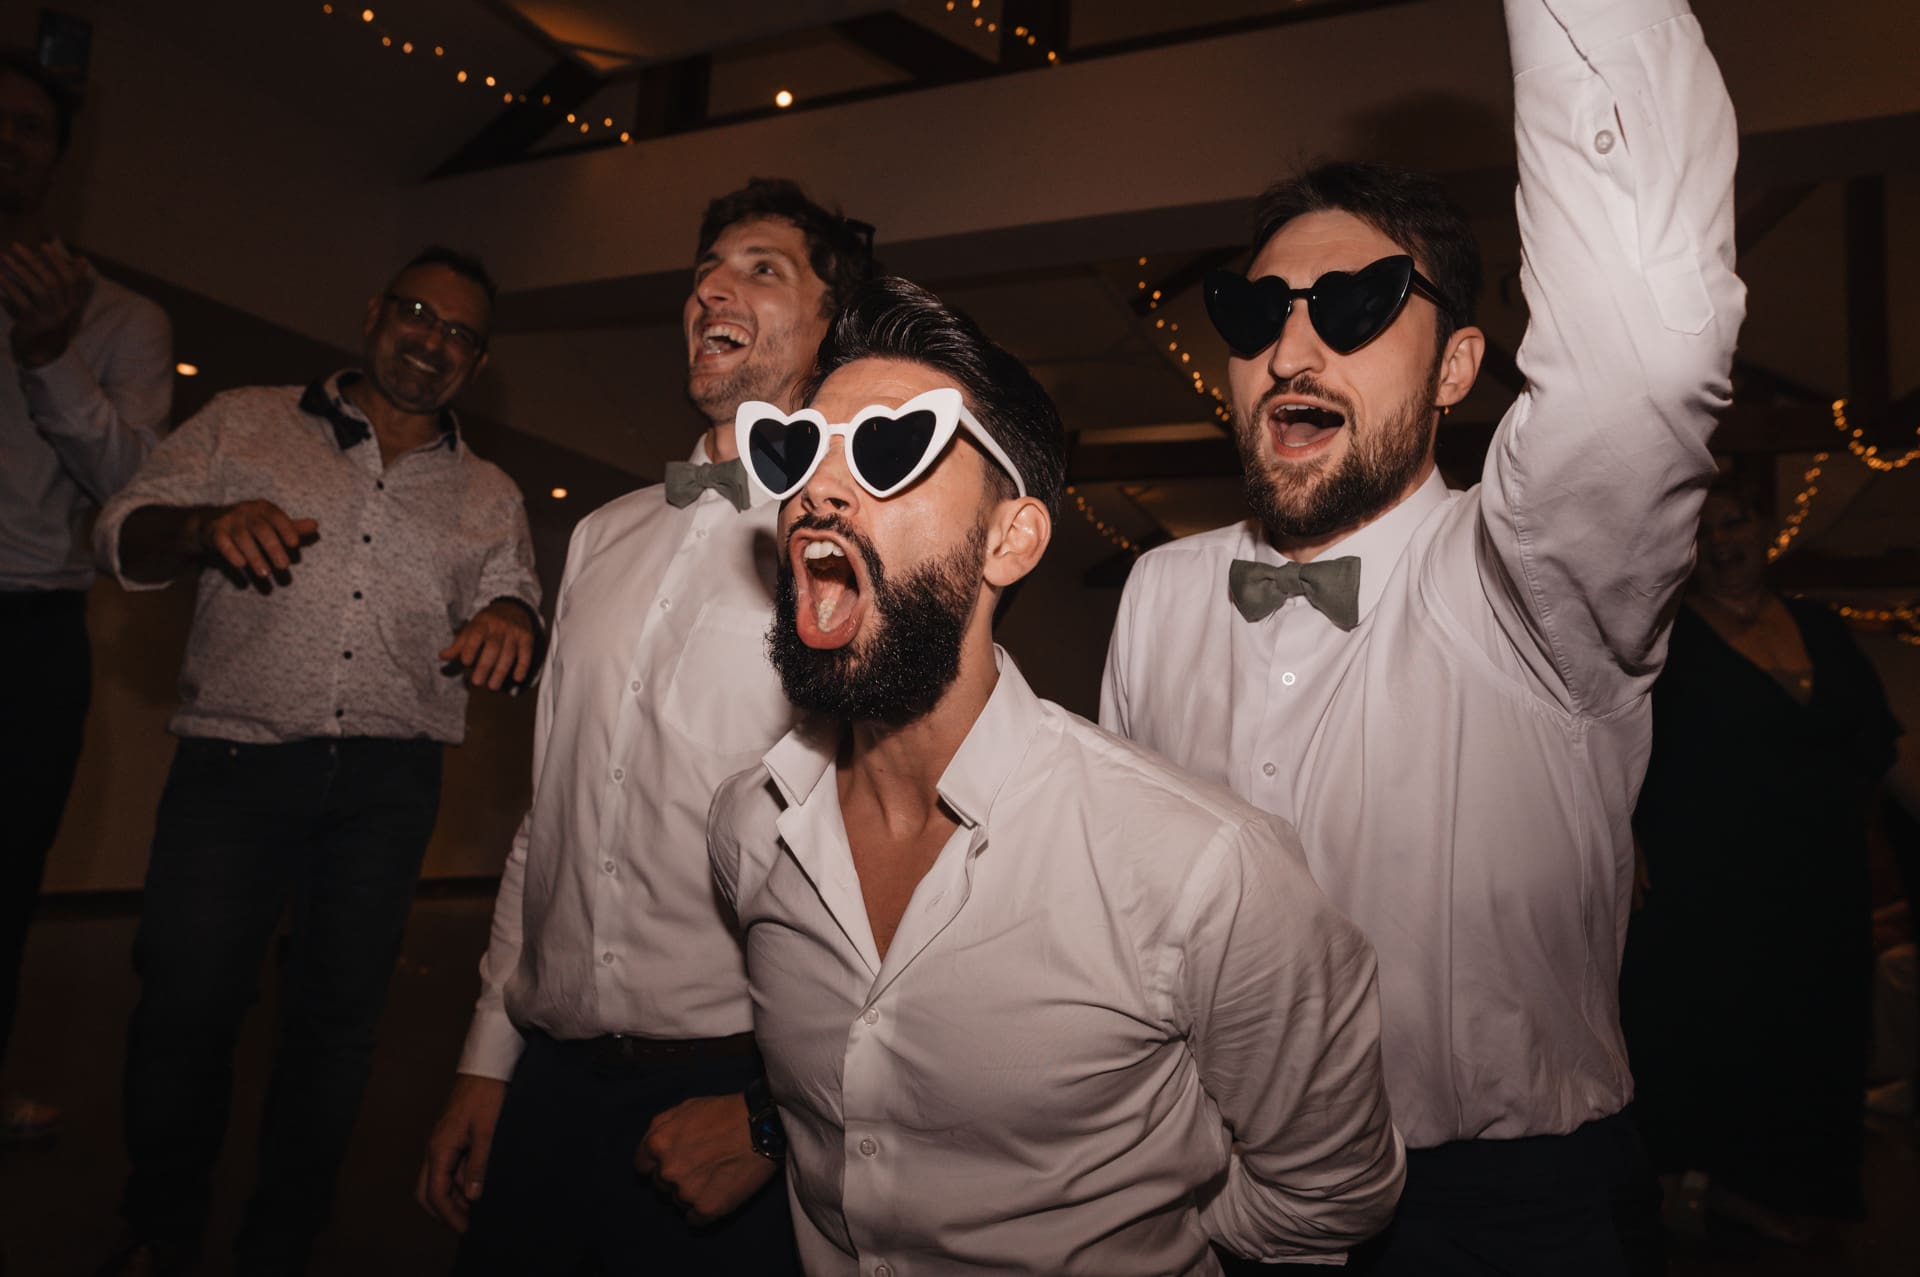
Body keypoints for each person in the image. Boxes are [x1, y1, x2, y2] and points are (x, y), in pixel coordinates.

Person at [1100, 1, 1745, 1271]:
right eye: (1257, 312)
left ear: (1456, 369)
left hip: (1497, 1216)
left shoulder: (1534, 582)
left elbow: (1646, 363)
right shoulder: (1160, 592)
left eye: (1353, 304)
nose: (1291, 345)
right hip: (1206, 1185)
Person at [708, 275, 1405, 1276]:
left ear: (1012, 538)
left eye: (888, 448)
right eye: (798, 449)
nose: (818, 489)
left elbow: (1332, 1190)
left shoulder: (1203, 872)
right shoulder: (750, 828)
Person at [417, 178, 874, 1275]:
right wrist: (490, 1054)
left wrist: (774, 1113)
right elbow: (553, 812)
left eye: (763, 266)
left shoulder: (854, 534)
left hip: (734, 1091)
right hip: (552, 1076)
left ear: (828, 325)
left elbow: (894, 852)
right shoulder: (602, 536)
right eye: (709, 265)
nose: (713, 283)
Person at [92, 246, 541, 1276]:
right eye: (419, 314)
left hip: (388, 789)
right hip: (231, 769)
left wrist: (515, 618)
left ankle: (282, 1242)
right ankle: (158, 1225)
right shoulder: (246, 419)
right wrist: (202, 526)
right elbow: (120, 530)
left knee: (335, 1034)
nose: (432, 340)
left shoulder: (489, 490)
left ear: (478, 360)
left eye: (459, 332)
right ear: (376, 311)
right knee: (184, 1010)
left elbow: (516, 596)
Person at [1621, 474, 1901, 1241]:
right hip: (1714, 880)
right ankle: (1725, 1190)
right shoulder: (1665, 641)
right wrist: (1628, 834)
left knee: (1824, 1027)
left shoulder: (1824, 625)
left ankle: (1808, 1192)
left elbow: (1875, 743)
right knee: (1725, 1028)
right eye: (1702, 533)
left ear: (1765, 527)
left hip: (1824, 875)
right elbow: (1614, 749)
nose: (1722, 544)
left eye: (1734, 523)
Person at [0, 47, 171, 1142]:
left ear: (58, 157)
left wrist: (51, 355)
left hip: (27, 627)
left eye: (30, 125)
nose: (9, 138)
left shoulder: (119, 318)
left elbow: (134, 501)